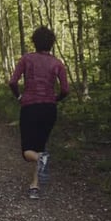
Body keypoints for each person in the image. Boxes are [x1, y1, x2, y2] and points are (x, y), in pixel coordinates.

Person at [8, 26, 69, 199]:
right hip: (49, 109)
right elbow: (65, 90)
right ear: (51, 43)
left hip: (30, 107)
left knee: (28, 152)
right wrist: (54, 99)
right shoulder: (57, 63)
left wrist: (19, 97)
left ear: (34, 42)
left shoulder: (27, 59)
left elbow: (12, 82)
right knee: (40, 148)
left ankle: (39, 170)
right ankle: (34, 187)